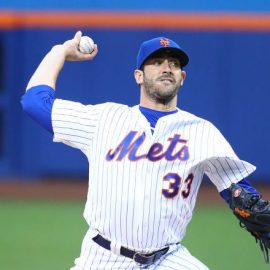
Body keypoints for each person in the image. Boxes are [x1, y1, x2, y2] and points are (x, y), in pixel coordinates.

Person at [21, 31, 261, 269]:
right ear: (138, 75)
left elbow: (242, 194)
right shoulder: (104, 119)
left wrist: (253, 209)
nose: (167, 68)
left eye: (174, 64)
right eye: (157, 62)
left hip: (168, 259)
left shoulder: (202, 132)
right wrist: (59, 51)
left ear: (183, 77)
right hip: (104, 257)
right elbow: (34, 102)